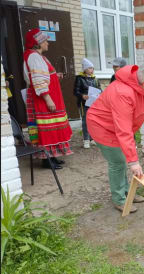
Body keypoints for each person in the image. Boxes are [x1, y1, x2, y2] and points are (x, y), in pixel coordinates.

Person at [86, 63, 144, 212]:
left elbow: (126, 125)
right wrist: (134, 162)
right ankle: (119, 199)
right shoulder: (123, 93)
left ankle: (128, 192)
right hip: (102, 126)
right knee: (117, 162)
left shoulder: (139, 87)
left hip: (116, 126)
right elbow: (123, 130)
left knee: (122, 160)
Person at [23, 28, 73, 169]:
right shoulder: (33, 56)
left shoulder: (39, 56)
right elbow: (38, 80)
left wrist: (54, 76)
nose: (48, 43)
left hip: (46, 96)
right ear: (37, 43)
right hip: (42, 98)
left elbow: (43, 75)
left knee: (52, 128)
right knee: (45, 129)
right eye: (45, 41)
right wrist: (48, 99)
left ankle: (52, 156)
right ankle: (46, 159)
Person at [74, 58, 101, 149]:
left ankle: (92, 139)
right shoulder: (79, 78)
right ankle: (86, 140)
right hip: (84, 103)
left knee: (93, 121)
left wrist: (100, 94)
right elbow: (75, 91)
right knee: (85, 121)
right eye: (89, 68)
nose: (91, 70)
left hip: (93, 103)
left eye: (92, 68)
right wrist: (82, 95)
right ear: (85, 69)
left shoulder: (95, 79)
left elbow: (99, 89)